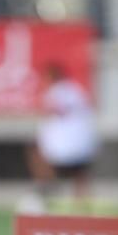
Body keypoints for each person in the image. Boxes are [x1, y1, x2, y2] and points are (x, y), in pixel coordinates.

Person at [26, 63, 97, 210]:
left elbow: (53, 109)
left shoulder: (55, 92)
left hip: (63, 145)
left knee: (37, 154)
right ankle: (81, 202)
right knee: (79, 172)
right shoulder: (76, 90)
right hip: (83, 145)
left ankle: (44, 191)